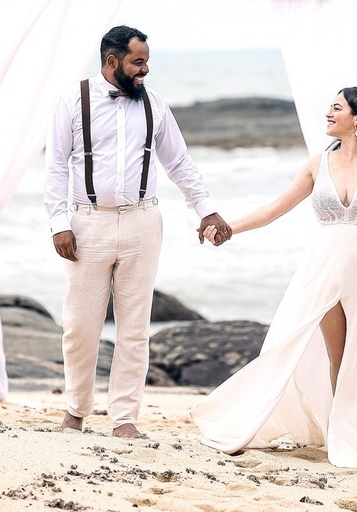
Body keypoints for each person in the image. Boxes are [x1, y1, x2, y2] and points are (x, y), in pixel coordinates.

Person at [189, 86, 357, 468]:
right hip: (322, 266)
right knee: (324, 352)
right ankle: (329, 431)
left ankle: (346, 437)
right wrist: (229, 228)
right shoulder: (317, 164)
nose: (328, 113)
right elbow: (275, 208)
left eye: (337, 107)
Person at [44, 25, 231, 439]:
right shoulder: (72, 101)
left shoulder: (155, 104)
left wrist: (206, 210)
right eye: (138, 62)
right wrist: (59, 224)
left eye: (146, 61)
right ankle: (76, 409)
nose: (145, 69)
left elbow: (178, 162)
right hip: (87, 223)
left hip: (143, 222)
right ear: (113, 61)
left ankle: (124, 418)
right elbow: (56, 165)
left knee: (134, 328)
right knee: (79, 326)